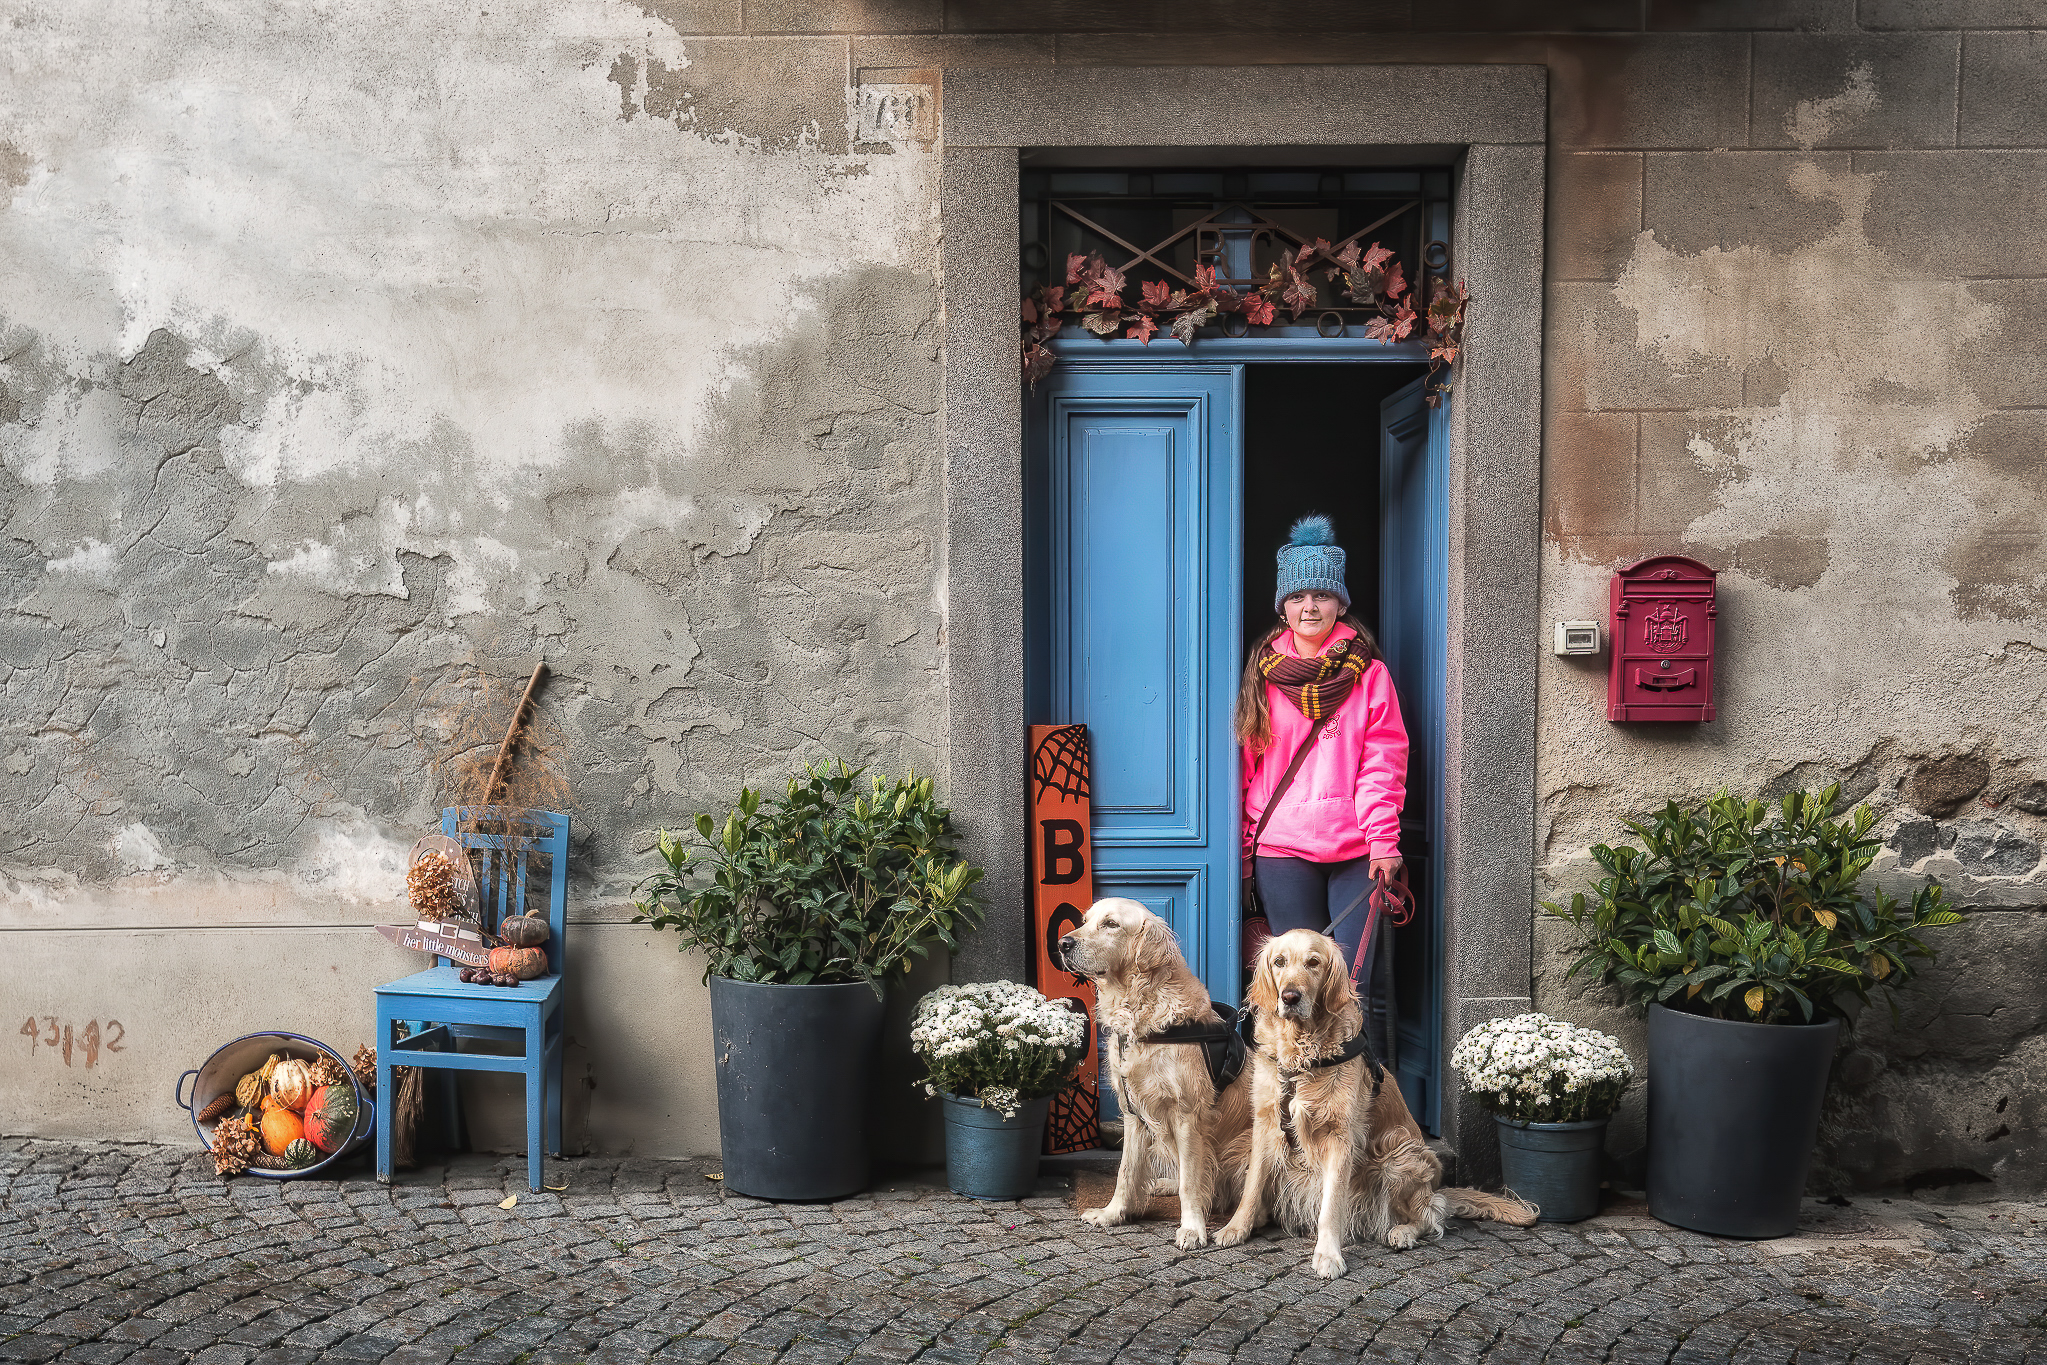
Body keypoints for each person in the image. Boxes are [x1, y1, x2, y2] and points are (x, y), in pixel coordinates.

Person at [1237, 514, 1409, 1056]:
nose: (1309, 607)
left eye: (1322, 595)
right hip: (1283, 848)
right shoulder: (1262, 674)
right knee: (1290, 988)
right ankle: (1292, 1098)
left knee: (1349, 990)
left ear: (1340, 603)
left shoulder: (1369, 675)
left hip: (1356, 849)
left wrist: (1384, 842)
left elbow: (1382, 762)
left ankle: (1359, 1105)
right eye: (1297, 596)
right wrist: (1245, 848)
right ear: (1282, 605)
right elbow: (1250, 767)